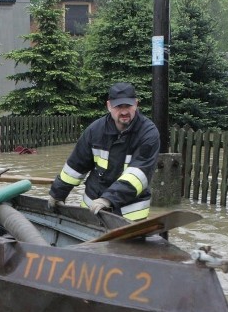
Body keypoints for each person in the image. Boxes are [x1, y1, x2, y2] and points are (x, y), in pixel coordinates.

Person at [48, 82, 160, 221]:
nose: (124, 111)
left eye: (128, 106)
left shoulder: (148, 133)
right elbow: (75, 167)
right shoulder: (95, 130)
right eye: (119, 106)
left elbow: (138, 175)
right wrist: (57, 193)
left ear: (136, 104)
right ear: (109, 106)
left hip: (130, 213)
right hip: (92, 207)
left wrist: (107, 199)